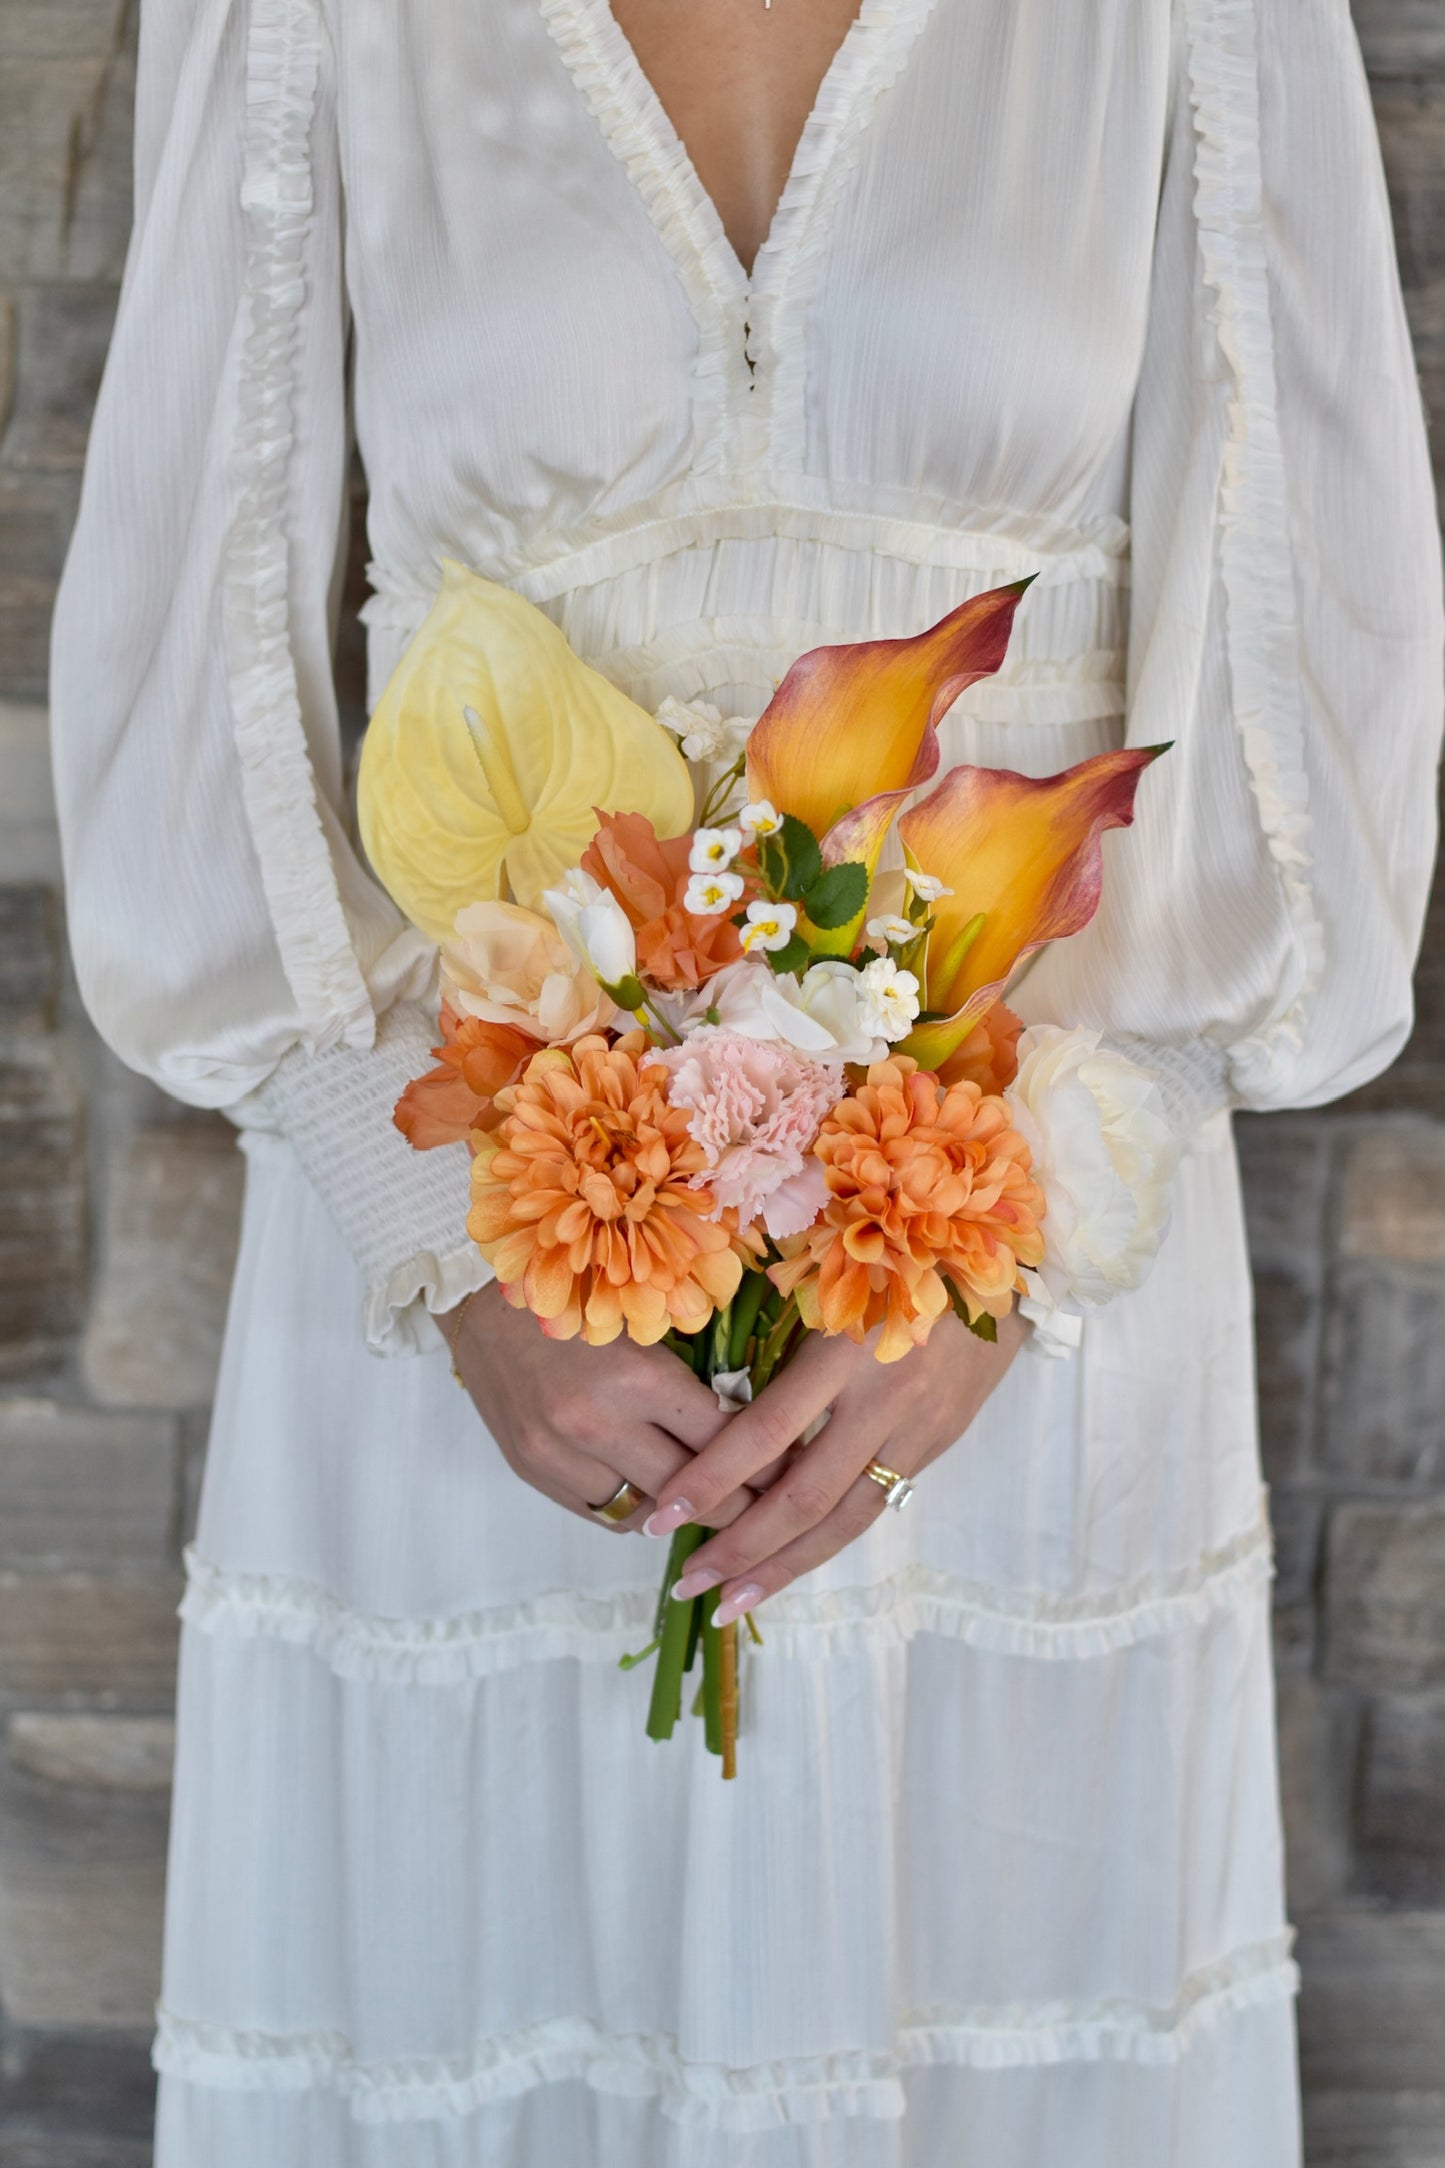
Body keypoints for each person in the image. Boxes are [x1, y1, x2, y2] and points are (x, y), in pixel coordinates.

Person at [47, 0, 1443, 2160]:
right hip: (487, 1309)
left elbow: (1291, 653)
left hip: (1014, 1304)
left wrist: (1020, 1247)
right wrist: (433, 1231)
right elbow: (198, 610)